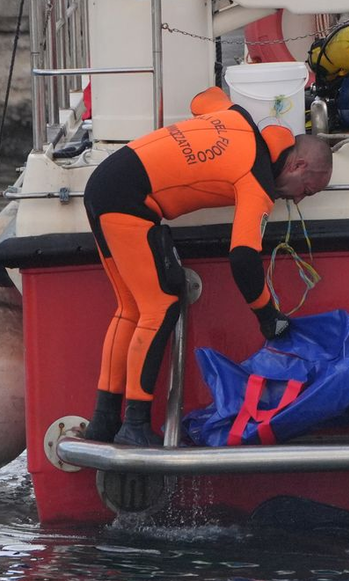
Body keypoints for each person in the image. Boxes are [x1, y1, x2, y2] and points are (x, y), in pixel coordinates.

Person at [82, 86, 333, 446]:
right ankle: (134, 425)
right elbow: (243, 258)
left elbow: (203, 97)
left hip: (105, 182)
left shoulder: (236, 117)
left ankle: (103, 422)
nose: (296, 198)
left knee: (130, 309)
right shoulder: (255, 182)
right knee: (159, 307)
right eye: (305, 190)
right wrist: (268, 315)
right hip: (130, 201)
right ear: (296, 165)